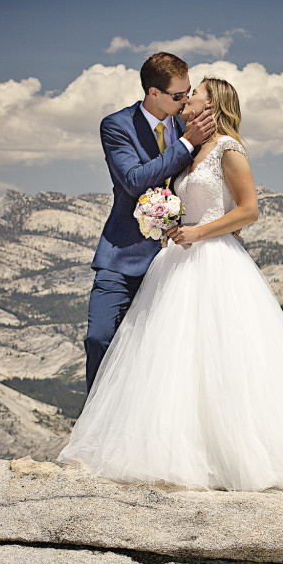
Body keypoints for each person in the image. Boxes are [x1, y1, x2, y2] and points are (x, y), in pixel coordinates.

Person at [59, 78, 283, 508]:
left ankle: (237, 455)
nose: (187, 97)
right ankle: (178, 449)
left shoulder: (228, 148)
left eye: (194, 92)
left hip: (215, 259)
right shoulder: (188, 150)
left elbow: (249, 209)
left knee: (224, 356)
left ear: (212, 102)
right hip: (177, 261)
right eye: (183, 92)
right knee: (173, 358)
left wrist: (200, 231)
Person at [84, 52, 216, 392]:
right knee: (99, 338)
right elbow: (134, 180)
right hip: (122, 256)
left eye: (187, 91)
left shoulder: (188, 123)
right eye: (177, 95)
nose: (185, 100)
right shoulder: (117, 126)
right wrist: (187, 143)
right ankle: (93, 428)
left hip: (175, 262)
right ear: (152, 93)